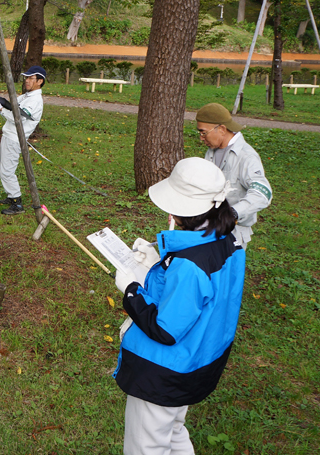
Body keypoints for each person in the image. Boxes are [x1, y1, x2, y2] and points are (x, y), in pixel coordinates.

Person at [114, 157, 246, 455]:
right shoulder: (230, 237)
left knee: (145, 446)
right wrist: (159, 263)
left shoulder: (189, 265)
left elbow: (165, 330)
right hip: (200, 360)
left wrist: (132, 290)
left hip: (164, 371)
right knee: (173, 429)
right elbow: (207, 296)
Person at [194, 103, 272, 249]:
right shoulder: (212, 151)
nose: (201, 138)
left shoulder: (246, 156)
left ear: (222, 129)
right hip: (207, 230)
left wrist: (233, 213)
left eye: (204, 132)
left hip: (232, 236)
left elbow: (262, 193)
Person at [0, 65, 46, 215]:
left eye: (31, 78)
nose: (26, 81)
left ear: (40, 81)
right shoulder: (27, 96)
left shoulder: (35, 100)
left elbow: (16, 118)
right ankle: (10, 195)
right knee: (3, 168)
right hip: (9, 136)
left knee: (7, 171)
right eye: (26, 77)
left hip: (15, 138)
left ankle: (16, 203)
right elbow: (12, 105)